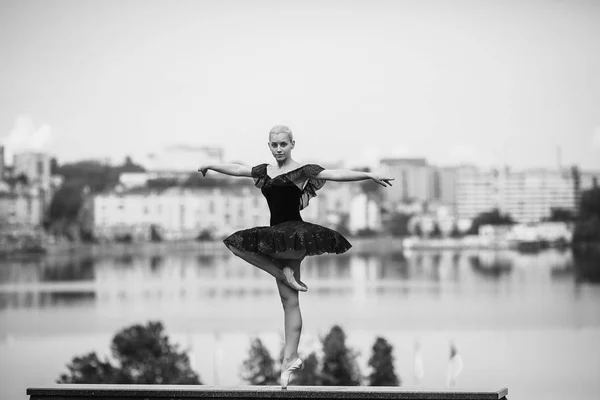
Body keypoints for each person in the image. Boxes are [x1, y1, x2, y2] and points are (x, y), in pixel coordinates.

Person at [197, 125, 393, 389]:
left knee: (252, 260)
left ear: (292, 144)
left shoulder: (303, 171)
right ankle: (290, 357)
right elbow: (237, 169)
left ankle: (284, 292)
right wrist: (211, 164)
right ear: (269, 146)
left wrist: (368, 175)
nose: (279, 149)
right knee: (286, 298)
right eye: (274, 145)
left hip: (294, 236)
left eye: (283, 144)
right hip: (278, 237)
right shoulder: (263, 171)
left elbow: (335, 174)